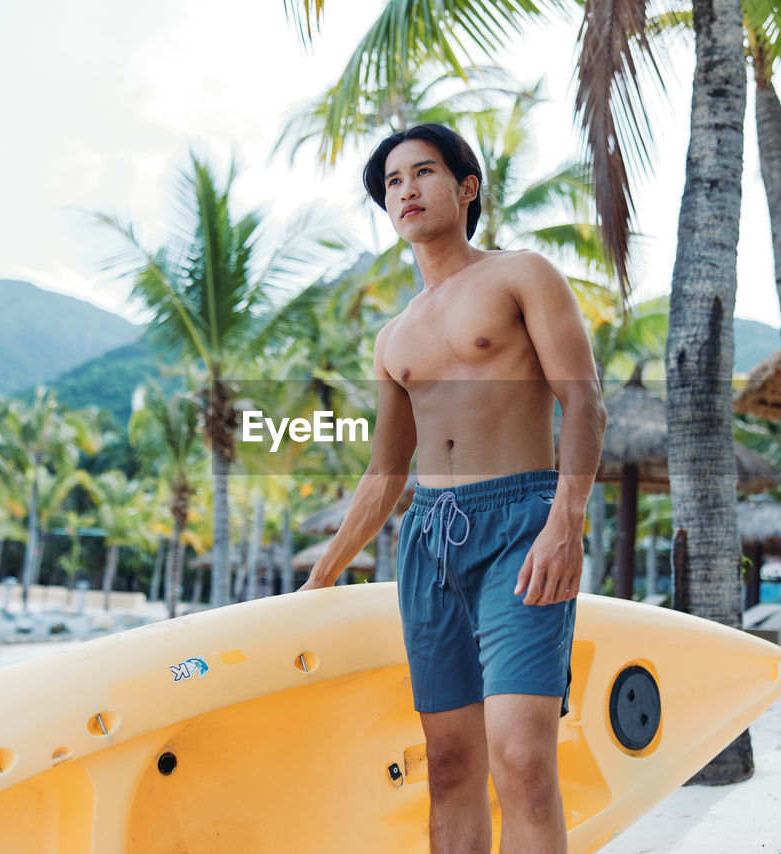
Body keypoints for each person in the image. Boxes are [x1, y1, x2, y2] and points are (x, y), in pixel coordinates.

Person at [297, 123, 604, 853]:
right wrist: (320, 577)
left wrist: (567, 521)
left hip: (521, 528)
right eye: (392, 182)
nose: (405, 189)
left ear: (466, 189)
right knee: (450, 763)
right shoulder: (393, 337)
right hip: (429, 542)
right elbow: (385, 473)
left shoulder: (521, 274)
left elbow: (585, 400)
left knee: (523, 759)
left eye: (423, 172)